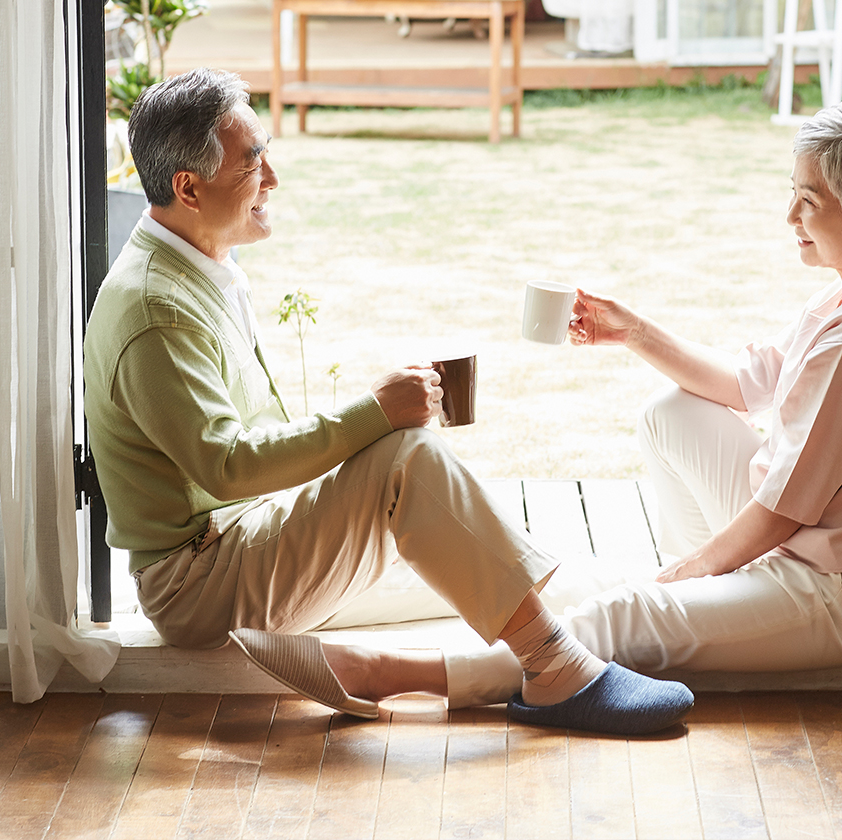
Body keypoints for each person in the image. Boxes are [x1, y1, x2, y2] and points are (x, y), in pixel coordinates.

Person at [83, 67, 693, 735]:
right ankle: (555, 670)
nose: (275, 179)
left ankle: (544, 641)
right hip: (199, 581)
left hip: (237, 536)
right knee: (404, 463)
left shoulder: (196, 264)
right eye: (254, 160)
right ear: (188, 188)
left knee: (441, 498)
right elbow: (225, 465)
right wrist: (374, 413)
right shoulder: (157, 308)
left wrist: (375, 418)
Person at [559, 97, 842, 672]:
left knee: (621, 615)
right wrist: (632, 331)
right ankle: (710, 602)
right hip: (803, 543)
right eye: (792, 191)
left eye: (808, 201)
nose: (791, 215)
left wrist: (684, 576)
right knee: (672, 413)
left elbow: (785, 509)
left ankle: (418, 673)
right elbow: (745, 382)